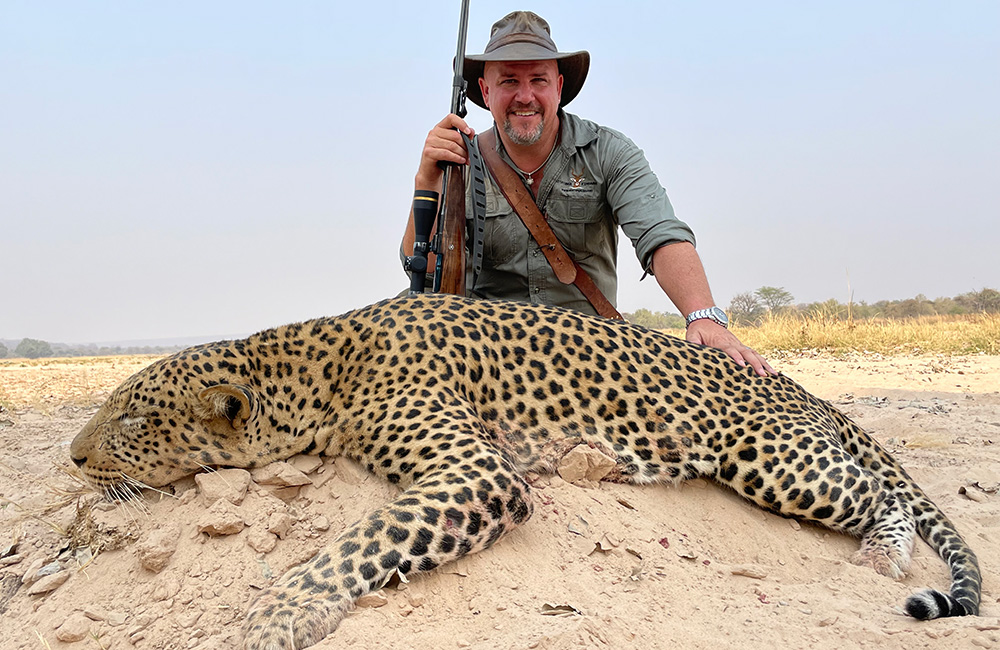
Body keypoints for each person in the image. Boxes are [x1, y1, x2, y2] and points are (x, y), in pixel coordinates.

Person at [402, 11, 772, 376]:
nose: (525, 96)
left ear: (559, 87)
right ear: (486, 90)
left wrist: (702, 315)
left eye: (539, 80)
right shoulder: (458, 161)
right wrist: (427, 180)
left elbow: (660, 235)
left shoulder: (609, 152)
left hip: (589, 356)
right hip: (490, 360)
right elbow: (425, 274)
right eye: (510, 81)